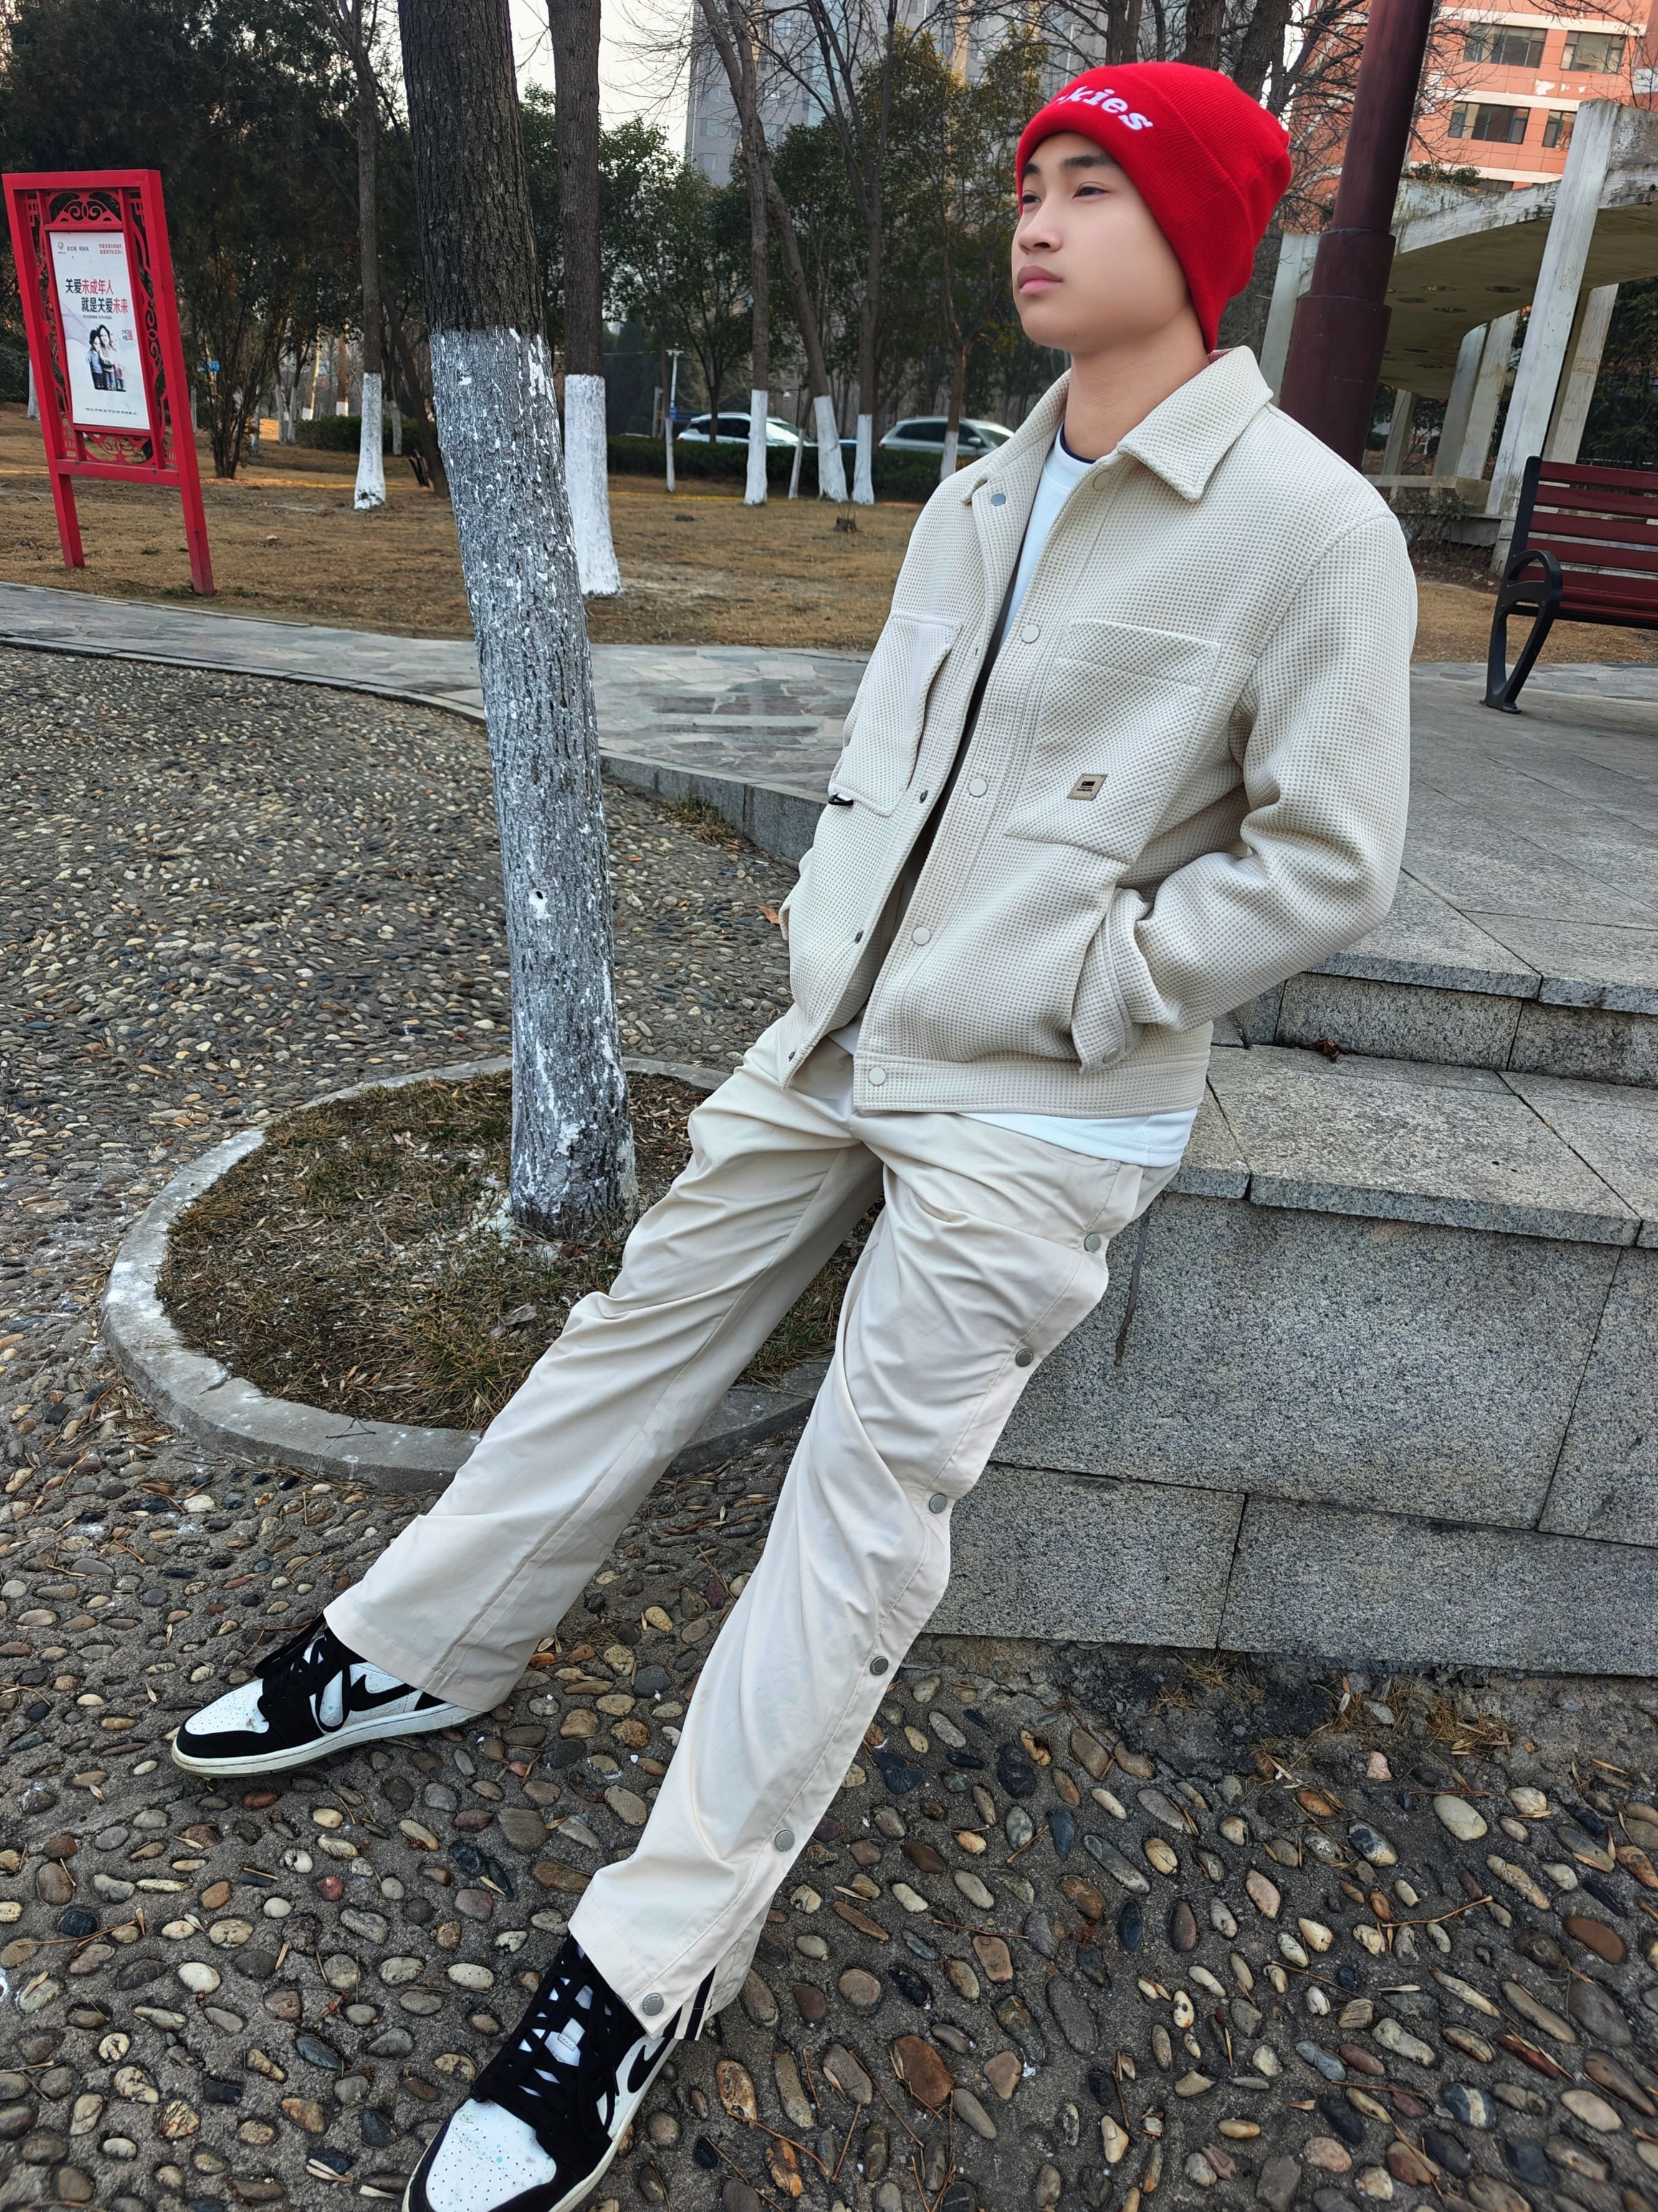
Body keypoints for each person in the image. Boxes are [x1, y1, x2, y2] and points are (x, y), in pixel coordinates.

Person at [173, 57, 1415, 2212]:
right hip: (839, 1031)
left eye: (1091, 187)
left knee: (854, 1519)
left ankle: (645, 1961)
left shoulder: (1309, 527)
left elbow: (1327, 861)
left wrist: (1092, 978)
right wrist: (836, 908)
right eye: (1028, 183)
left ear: (1201, 238)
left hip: (1041, 1101)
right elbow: (898, 747)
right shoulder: (976, 492)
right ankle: (414, 1641)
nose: (1035, 220)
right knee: (626, 1330)